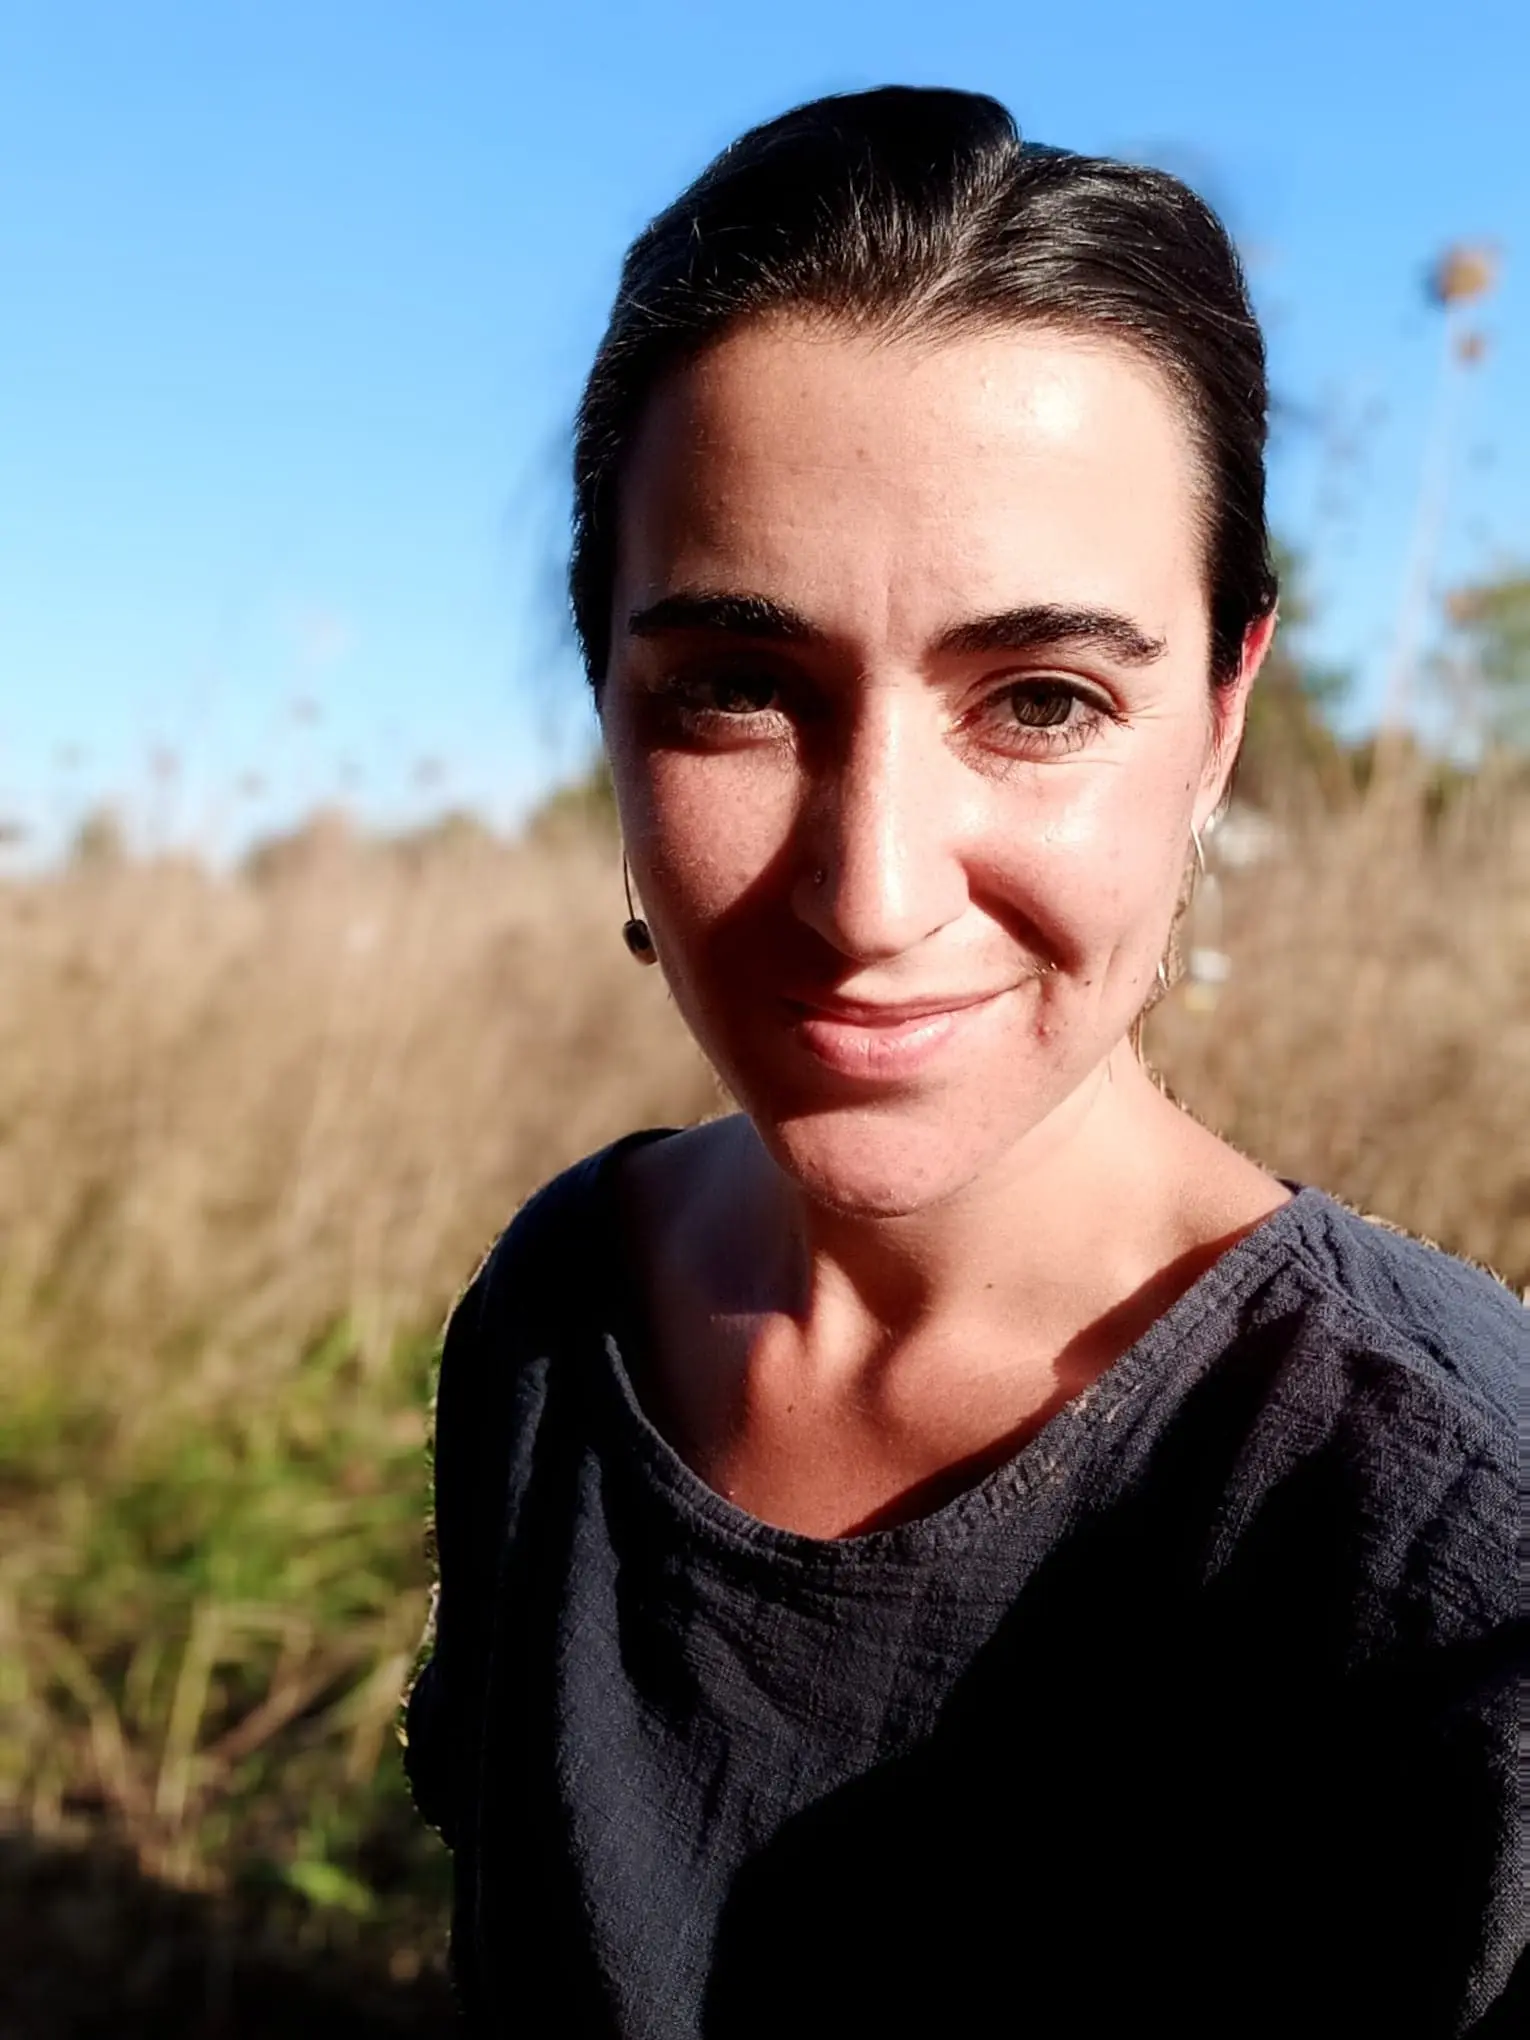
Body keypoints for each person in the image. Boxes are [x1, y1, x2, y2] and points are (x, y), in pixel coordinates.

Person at [403, 87, 1526, 2038]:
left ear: (1219, 719)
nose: (870, 891)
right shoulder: (560, 1307)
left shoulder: (1457, 1545)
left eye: (1042, 700)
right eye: (736, 688)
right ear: (608, 700)